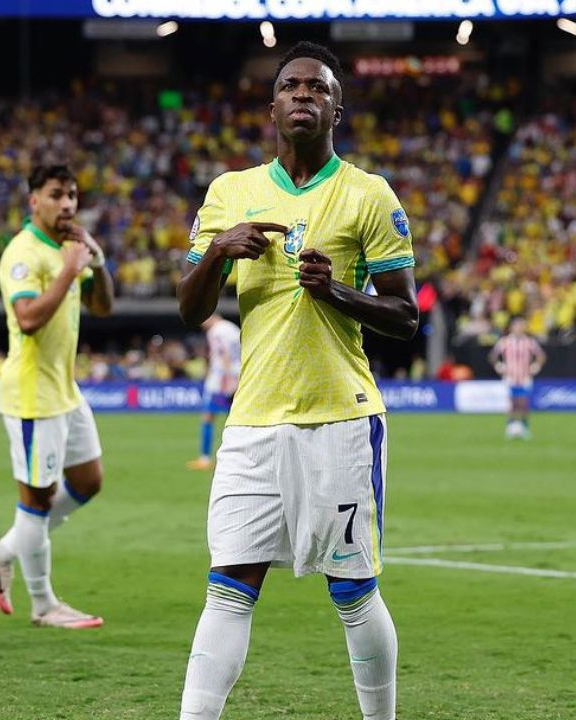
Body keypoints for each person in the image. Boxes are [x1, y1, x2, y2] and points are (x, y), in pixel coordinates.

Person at [175, 42, 419, 720]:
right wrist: (219, 252)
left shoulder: (369, 194)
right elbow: (190, 308)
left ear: (338, 106)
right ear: (273, 105)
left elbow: (406, 315)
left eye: (317, 88)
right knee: (227, 585)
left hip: (340, 419)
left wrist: (338, 290)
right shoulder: (230, 193)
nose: (303, 95)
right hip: (253, 423)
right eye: (290, 86)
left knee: (353, 592)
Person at [0, 164, 114, 629]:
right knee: (36, 501)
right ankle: (43, 604)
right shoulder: (23, 252)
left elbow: (103, 306)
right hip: (32, 395)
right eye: (57, 194)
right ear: (35, 201)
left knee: (88, 481)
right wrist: (70, 270)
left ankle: (3, 552)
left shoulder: (69, 248)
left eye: (73, 194)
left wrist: (95, 259)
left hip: (65, 391)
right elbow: (28, 318)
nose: (68, 203)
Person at [187, 314, 241, 471]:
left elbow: (223, 353)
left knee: (207, 417)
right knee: (234, 419)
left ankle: (204, 458)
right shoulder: (233, 328)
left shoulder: (216, 331)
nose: (202, 326)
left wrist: (228, 378)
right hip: (239, 374)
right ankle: (237, 458)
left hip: (221, 380)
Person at [488, 317, 545, 440]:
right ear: (512, 327)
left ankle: (525, 427)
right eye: (518, 326)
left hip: (525, 377)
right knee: (512, 403)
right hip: (510, 377)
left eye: (522, 326)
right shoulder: (504, 341)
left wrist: (536, 366)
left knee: (523, 403)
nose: (520, 328)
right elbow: (493, 356)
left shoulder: (530, 342)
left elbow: (541, 356)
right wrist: (498, 365)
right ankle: (510, 426)